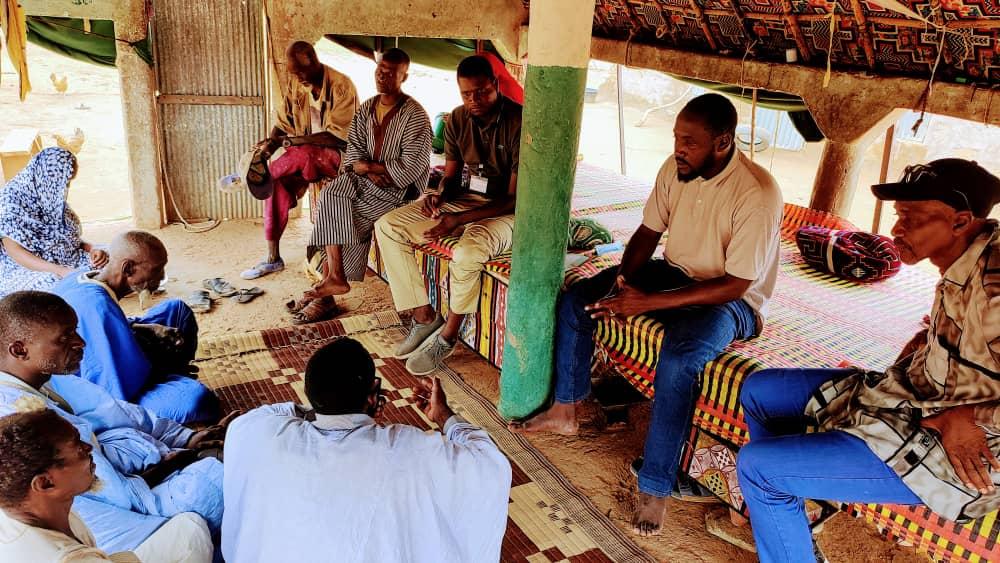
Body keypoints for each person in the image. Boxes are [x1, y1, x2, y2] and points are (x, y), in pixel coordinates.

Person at [511, 94, 784, 536]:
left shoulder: (756, 192)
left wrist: (646, 303)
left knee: (679, 358)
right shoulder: (676, 169)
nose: (678, 148)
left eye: (689, 142)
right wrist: (624, 281)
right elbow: (647, 232)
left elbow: (735, 284)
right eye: (676, 137)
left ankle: (655, 487)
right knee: (580, 301)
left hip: (732, 300)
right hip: (676, 274)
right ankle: (568, 407)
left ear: (722, 143)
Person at [736, 159, 1000, 563]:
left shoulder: (995, 281)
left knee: (759, 467)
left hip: (966, 451)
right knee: (759, 389)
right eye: (898, 216)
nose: (896, 230)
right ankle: (794, 517)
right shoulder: (963, 262)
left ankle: (780, 507)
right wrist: (928, 341)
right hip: (916, 398)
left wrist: (968, 415)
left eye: (911, 218)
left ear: (961, 221)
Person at [222, 338, 511, 562]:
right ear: (373, 393)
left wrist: (323, 406)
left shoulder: (258, 432)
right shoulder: (407, 449)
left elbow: (266, 414)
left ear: (310, 394)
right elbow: (489, 465)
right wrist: (444, 416)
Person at [0, 290, 229, 553]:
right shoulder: (21, 417)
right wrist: (182, 459)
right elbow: (122, 496)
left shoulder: (44, 376)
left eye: (75, 331)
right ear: (20, 350)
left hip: (133, 483)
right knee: (229, 473)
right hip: (115, 521)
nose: (80, 342)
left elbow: (116, 411)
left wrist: (186, 438)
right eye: (64, 338)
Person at [374, 55, 522, 375]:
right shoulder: (456, 120)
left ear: (495, 85)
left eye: (482, 92)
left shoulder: (519, 122)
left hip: (508, 212)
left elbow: (514, 200)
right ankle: (425, 316)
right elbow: (452, 178)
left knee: (469, 252)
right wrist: (438, 196)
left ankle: (447, 337)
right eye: (467, 94)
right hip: (468, 201)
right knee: (388, 225)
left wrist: (457, 221)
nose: (474, 100)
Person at [291, 48, 432, 324]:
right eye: (380, 69)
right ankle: (334, 277)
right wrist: (364, 169)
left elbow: (412, 166)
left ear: (405, 76)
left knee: (344, 217)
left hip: (396, 191)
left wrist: (373, 168)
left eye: (392, 72)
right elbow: (353, 150)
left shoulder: (415, 115)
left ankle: (329, 291)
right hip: (363, 181)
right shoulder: (366, 108)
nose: (383, 75)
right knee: (331, 195)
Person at [0, 409, 213, 562]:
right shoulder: (67, 558)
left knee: (188, 527)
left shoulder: (23, 507)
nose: (89, 449)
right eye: (79, 448)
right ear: (45, 483)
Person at [54, 231, 218, 424]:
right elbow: (112, 386)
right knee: (197, 399)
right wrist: (155, 366)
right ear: (128, 268)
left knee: (177, 310)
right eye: (157, 270)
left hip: (117, 360)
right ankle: (169, 381)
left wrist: (145, 328)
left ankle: (173, 376)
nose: (162, 276)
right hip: (103, 396)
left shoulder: (83, 277)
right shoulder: (97, 307)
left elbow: (114, 326)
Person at [242, 41, 359, 280]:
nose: (298, 77)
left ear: (315, 61)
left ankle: (260, 174)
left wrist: (294, 142)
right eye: (294, 73)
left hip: (339, 157)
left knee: (302, 152)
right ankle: (273, 258)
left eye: (302, 71)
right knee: (277, 186)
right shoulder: (297, 84)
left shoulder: (341, 86)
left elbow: (338, 136)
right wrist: (269, 147)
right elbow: (282, 125)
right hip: (306, 161)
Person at [0, 147, 108, 297]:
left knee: (116, 255)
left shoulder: (50, 195)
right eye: (64, 183)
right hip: (27, 267)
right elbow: (16, 252)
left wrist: (92, 248)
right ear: (47, 177)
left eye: (68, 183)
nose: (65, 189)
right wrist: (60, 271)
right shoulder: (10, 202)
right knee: (54, 287)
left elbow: (67, 237)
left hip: (66, 258)